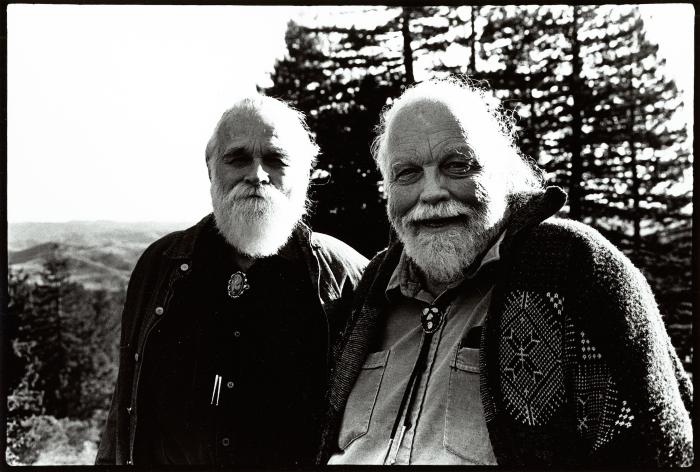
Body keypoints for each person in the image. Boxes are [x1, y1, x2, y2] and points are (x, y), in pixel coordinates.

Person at [318, 78, 693, 467]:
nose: (431, 192)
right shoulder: (370, 291)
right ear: (388, 188)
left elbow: (658, 448)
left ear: (502, 172)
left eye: (458, 165)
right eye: (407, 173)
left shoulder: (570, 267)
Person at [96, 94, 368, 466]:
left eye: (275, 160)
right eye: (238, 158)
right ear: (211, 171)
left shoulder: (348, 276)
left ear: (303, 175)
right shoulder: (158, 265)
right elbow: (122, 412)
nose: (257, 174)